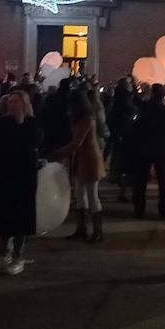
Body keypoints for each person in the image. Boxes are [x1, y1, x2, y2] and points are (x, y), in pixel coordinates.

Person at [0, 92, 41, 273]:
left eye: (16, 102)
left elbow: (33, 143)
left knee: (21, 218)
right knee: (4, 215)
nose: (12, 106)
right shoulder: (2, 123)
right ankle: (3, 253)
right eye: (10, 102)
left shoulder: (32, 124)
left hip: (23, 176)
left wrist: (19, 124)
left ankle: (19, 255)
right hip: (4, 174)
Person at [53, 91, 108, 242]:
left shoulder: (87, 119)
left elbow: (77, 142)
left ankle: (97, 231)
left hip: (89, 158)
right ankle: (81, 228)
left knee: (91, 195)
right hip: (82, 158)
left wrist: (58, 153)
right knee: (80, 195)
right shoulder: (81, 118)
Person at [128, 84, 165, 221]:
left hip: (143, 148)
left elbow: (135, 129)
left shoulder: (144, 109)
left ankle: (139, 209)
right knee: (163, 183)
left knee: (141, 181)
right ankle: (163, 210)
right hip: (161, 149)